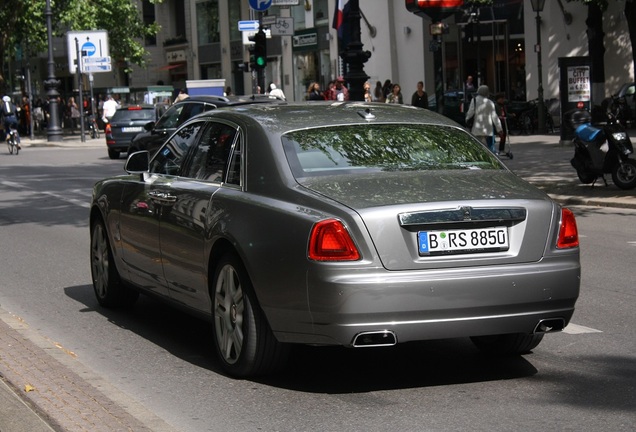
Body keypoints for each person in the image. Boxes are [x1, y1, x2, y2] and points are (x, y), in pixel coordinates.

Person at [465, 85, 503, 153]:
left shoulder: (474, 100)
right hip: (488, 129)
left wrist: (467, 119)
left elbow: (470, 112)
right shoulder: (490, 103)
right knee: (489, 147)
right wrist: (499, 129)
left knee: (477, 146)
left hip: (477, 128)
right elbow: (494, 117)